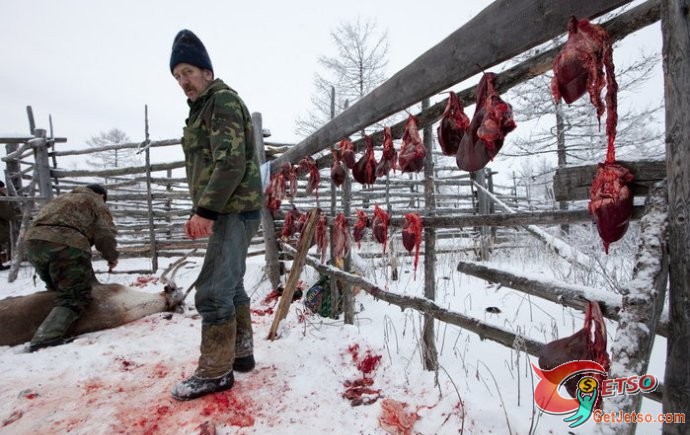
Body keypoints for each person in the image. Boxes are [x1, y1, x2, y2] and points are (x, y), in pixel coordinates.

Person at [169, 29, 264, 401]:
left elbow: (231, 162)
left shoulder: (220, 101)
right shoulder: (204, 108)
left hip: (231, 210)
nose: (183, 82)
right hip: (232, 209)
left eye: (188, 72)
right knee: (232, 284)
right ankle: (240, 353)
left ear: (207, 71)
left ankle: (214, 372)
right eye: (177, 76)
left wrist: (206, 210)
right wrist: (202, 209)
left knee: (212, 291)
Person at [23, 184, 119, 351]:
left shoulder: (61, 199)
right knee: (75, 295)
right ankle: (46, 337)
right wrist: (111, 257)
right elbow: (104, 234)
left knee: (56, 288)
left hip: (33, 243)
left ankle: (43, 324)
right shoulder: (96, 202)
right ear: (101, 195)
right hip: (66, 243)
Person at [0, 181, 19, 270]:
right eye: (2, 187)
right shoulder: (1, 199)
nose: (4, 189)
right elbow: (7, 214)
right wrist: (16, 214)